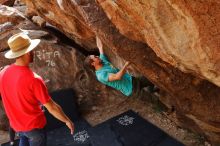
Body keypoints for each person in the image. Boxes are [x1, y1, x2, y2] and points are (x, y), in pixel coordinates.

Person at [0, 32, 74, 146]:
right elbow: (52, 107)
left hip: (17, 125)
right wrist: (67, 120)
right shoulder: (34, 79)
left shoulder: (3, 73)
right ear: (28, 52)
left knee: (23, 140)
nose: (33, 52)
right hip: (34, 128)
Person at [85, 36, 158, 98]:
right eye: (95, 57)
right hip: (131, 89)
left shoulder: (103, 61)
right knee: (154, 102)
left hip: (132, 80)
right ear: (93, 63)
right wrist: (126, 64)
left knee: (150, 79)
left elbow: (100, 47)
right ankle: (167, 111)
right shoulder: (101, 75)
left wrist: (96, 33)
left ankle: (150, 89)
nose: (97, 56)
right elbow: (117, 77)